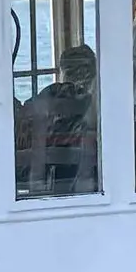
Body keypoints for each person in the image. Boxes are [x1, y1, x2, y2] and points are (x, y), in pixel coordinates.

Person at [20, 43, 99, 195]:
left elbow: (29, 110)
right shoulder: (64, 93)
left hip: (54, 164)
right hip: (72, 165)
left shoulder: (57, 92)